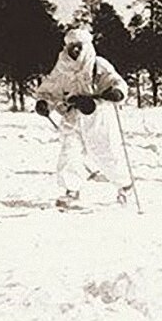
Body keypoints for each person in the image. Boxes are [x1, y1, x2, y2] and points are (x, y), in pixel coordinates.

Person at [35, 29, 130, 209]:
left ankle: (124, 185)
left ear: (86, 46)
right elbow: (49, 89)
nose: (75, 51)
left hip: (98, 115)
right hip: (72, 116)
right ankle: (71, 190)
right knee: (69, 153)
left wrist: (116, 93)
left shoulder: (98, 64)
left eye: (79, 47)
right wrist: (43, 102)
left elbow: (117, 82)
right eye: (72, 47)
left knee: (105, 153)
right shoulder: (62, 68)